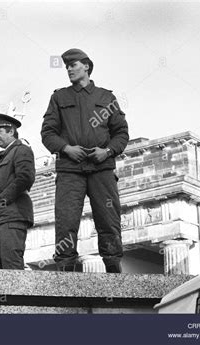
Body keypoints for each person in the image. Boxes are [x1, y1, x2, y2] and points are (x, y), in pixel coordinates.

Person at [41, 48, 129, 273]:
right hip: (70, 170)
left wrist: (107, 151)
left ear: (86, 66)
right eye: (67, 66)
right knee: (66, 221)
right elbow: (48, 133)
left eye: (74, 65)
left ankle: (113, 270)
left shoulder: (106, 97)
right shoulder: (59, 97)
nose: (69, 69)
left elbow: (121, 133)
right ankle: (65, 271)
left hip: (102, 168)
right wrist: (67, 148)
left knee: (108, 219)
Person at [0, 113, 36, 270]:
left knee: (11, 263)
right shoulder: (3, 156)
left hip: (12, 215)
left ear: (11, 131)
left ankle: (18, 294)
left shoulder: (21, 150)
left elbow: (25, 178)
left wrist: (3, 200)